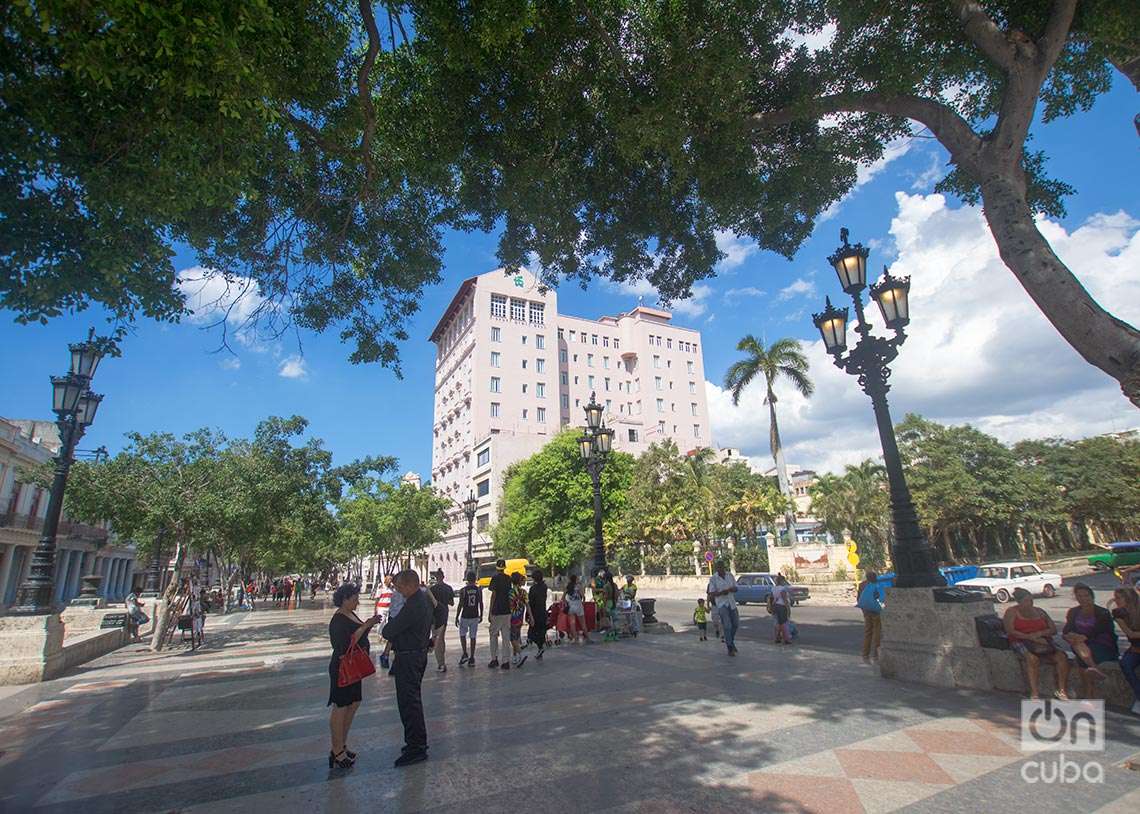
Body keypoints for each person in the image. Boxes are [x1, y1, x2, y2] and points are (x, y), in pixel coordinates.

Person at [327, 583, 383, 770]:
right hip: (343, 667)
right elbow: (345, 644)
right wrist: (367, 624)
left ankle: (342, 744)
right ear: (344, 600)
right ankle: (336, 751)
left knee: (353, 703)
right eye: (354, 599)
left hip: (355, 666)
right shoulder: (338, 620)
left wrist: (369, 623)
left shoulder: (350, 614)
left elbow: (359, 633)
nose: (357, 602)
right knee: (341, 706)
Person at [381, 570, 433, 767]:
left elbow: (389, 631)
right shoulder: (423, 599)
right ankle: (416, 742)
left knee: (409, 703)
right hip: (417, 654)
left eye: (400, 587)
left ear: (411, 585)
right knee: (412, 701)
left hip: (410, 657)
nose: (399, 590)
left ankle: (416, 747)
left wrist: (391, 623)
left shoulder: (413, 604)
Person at [1003, 587, 1070, 699]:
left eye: (1031, 600)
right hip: (1021, 640)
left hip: (1042, 639)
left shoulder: (1040, 611)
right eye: (1026, 601)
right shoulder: (1012, 612)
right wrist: (1029, 637)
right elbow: (1010, 630)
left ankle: (1061, 689)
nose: (1029, 603)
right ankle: (1034, 692)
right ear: (1019, 602)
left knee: (1061, 657)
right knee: (1032, 659)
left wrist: (1040, 634)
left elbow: (1053, 629)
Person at [1062, 583, 1119, 698]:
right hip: (1081, 645)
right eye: (1080, 596)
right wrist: (1069, 636)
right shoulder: (1073, 612)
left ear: (1092, 596)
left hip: (1102, 645)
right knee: (1079, 647)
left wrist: (1082, 637)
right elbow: (1067, 629)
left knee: (1081, 660)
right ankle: (1093, 669)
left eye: (1086, 596)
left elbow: (1099, 630)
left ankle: (1089, 695)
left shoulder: (1102, 612)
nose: (1083, 599)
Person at [1109, 588, 1140, 715]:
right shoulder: (1118, 613)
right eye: (1115, 597)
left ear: (1128, 599)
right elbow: (1130, 634)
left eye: (1118, 598)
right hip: (1135, 647)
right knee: (1125, 664)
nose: (1115, 601)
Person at [707, 562, 739, 656]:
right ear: (716, 569)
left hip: (731, 602)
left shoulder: (730, 575)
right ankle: (729, 647)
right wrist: (721, 592)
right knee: (727, 625)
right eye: (719, 568)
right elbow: (712, 593)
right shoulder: (713, 579)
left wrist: (732, 589)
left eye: (722, 568)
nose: (721, 570)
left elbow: (736, 587)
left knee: (735, 624)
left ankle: (730, 641)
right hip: (721, 604)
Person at [487, 559, 514, 668]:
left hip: (497, 610)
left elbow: (493, 595)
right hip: (506, 610)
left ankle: (494, 659)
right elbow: (509, 595)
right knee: (506, 636)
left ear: (497, 567)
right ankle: (506, 661)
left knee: (493, 634)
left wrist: (490, 611)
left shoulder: (495, 578)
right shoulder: (508, 579)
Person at [429, 569, 455, 673]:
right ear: (443, 577)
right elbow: (452, 603)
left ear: (436, 577)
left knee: (436, 638)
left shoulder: (433, 589)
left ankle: (441, 663)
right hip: (445, 614)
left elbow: (429, 603)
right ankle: (442, 660)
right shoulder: (448, 588)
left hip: (435, 616)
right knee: (441, 638)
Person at [455, 571, 483, 666]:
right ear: (475, 579)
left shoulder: (463, 590)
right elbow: (481, 603)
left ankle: (465, 653)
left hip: (465, 615)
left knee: (462, 635)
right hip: (474, 615)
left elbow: (460, 604)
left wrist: (457, 616)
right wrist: (481, 614)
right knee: (473, 637)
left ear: (467, 579)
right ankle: (472, 657)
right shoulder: (479, 590)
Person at [857, 570, 884, 663]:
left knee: (868, 632)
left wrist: (864, 610)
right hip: (876, 611)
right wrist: (883, 608)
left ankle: (865, 654)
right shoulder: (877, 585)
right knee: (877, 632)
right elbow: (880, 598)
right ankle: (875, 655)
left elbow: (859, 599)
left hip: (866, 611)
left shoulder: (861, 585)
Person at [508, 571, 531, 668]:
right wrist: (531, 616)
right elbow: (527, 605)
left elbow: (509, 606)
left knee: (512, 638)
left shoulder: (510, 592)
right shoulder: (524, 592)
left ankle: (520, 654)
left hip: (512, 617)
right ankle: (514, 656)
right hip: (520, 617)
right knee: (516, 636)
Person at [528, 568, 549, 660]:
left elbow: (530, 602)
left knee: (532, 632)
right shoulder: (544, 587)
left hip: (534, 612)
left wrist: (528, 615)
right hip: (542, 611)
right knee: (541, 631)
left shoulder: (533, 588)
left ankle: (538, 645)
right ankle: (540, 647)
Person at [563, 574, 591, 643]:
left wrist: (567, 603)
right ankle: (587, 638)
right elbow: (583, 597)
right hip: (578, 606)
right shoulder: (578, 586)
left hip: (571, 607)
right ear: (576, 579)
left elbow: (563, 598)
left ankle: (575, 639)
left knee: (572, 624)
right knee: (583, 624)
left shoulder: (568, 587)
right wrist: (583, 603)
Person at [377, 575, 396, 670]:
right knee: (382, 623)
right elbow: (377, 599)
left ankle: (387, 655)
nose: (391, 582)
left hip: (390, 610)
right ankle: (381, 636)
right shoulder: (382, 588)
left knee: (394, 637)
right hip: (384, 609)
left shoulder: (394, 590)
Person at [772, 574, 793, 646]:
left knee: (777, 623)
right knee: (784, 623)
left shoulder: (773, 588)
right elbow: (785, 600)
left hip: (775, 606)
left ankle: (777, 638)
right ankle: (786, 639)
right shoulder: (782, 589)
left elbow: (774, 598)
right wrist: (788, 609)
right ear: (782, 581)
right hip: (782, 607)